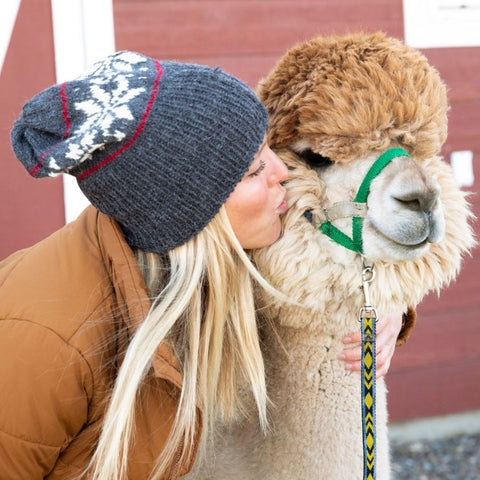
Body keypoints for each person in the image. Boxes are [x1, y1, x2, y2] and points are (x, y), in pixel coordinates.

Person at [0, 51, 411, 479]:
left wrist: (386, 304)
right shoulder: (42, 339)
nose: (281, 172)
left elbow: (320, 258)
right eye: (254, 170)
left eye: (269, 147)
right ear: (191, 211)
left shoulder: (185, 249)